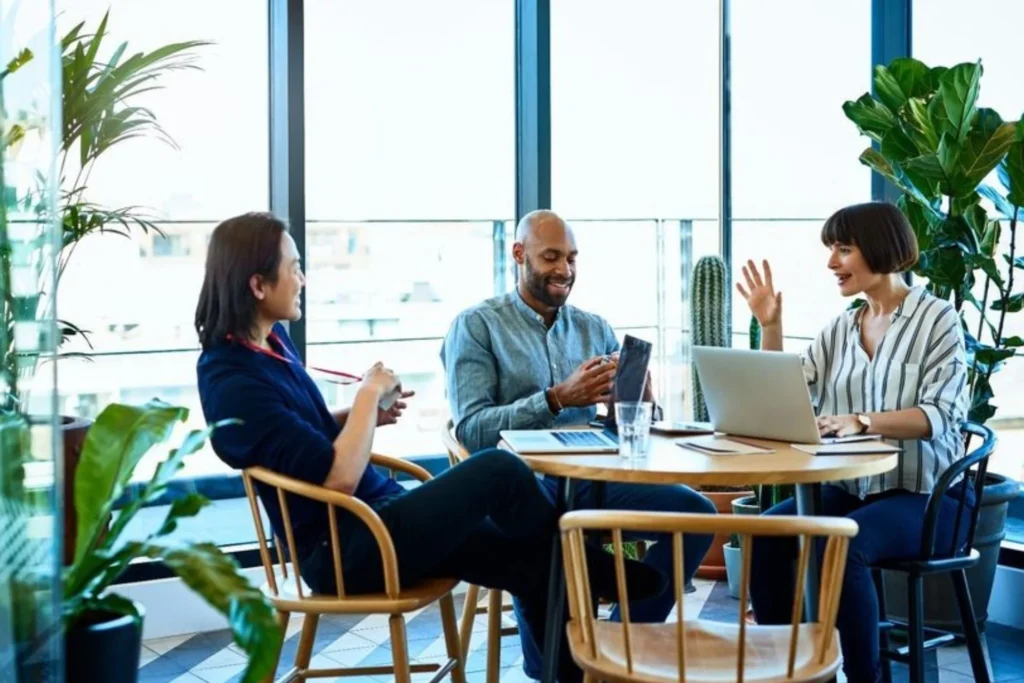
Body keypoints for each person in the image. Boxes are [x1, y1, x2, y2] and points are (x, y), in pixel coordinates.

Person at [194, 212, 665, 683]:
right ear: (258, 285)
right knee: (497, 469)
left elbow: (301, 434)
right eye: (294, 266)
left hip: (379, 514)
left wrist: (363, 417)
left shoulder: (272, 344)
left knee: (533, 564)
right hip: (345, 548)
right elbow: (337, 477)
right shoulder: (230, 377)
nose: (303, 278)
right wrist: (364, 395)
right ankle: (592, 569)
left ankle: (578, 608)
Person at [440, 209, 716, 679]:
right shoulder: (478, 325)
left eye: (570, 257)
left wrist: (639, 403)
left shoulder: (594, 327)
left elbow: (629, 427)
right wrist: (555, 398)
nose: (564, 270)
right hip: (520, 488)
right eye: (551, 257)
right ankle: (557, 670)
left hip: (593, 476)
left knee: (695, 515)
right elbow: (471, 429)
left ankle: (615, 647)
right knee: (542, 534)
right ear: (519, 254)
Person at [738, 202, 972, 683]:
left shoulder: (937, 321)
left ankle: (868, 678)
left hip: (928, 498)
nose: (831, 263)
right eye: (831, 250)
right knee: (767, 533)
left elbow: (942, 415)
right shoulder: (841, 328)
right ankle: (792, 670)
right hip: (856, 491)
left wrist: (863, 420)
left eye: (843, 250)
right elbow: (786, 394)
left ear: (880, 249)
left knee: (843, 545)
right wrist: (771, 326)